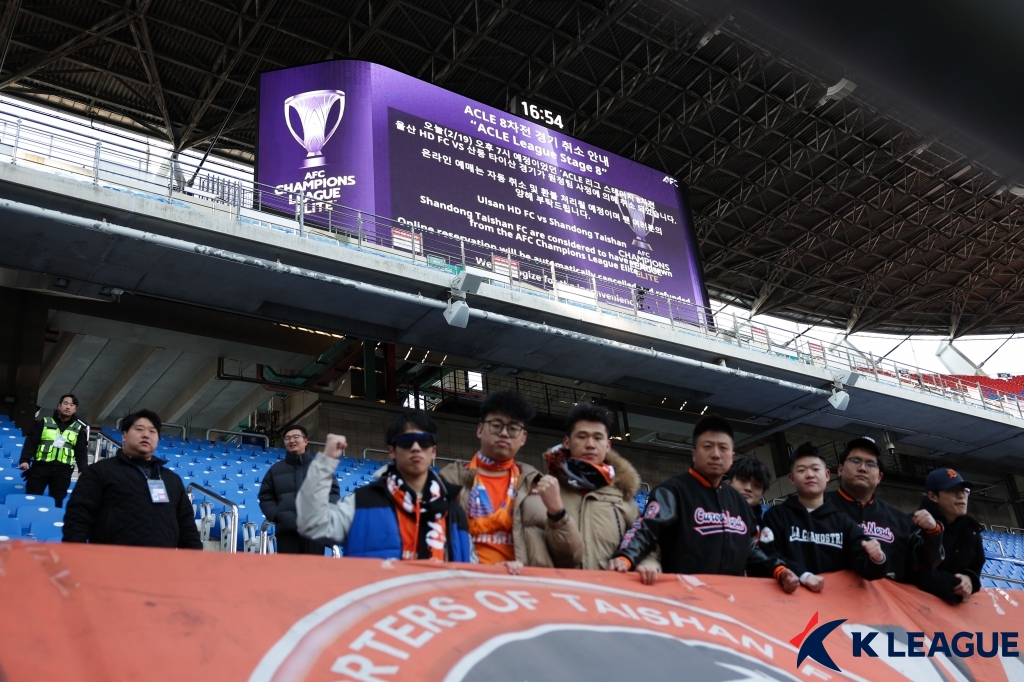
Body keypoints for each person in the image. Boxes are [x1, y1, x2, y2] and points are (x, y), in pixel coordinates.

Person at [609, 415, 800, 591]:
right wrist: (625, 558)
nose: (716, 454)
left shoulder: (739, 503)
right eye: (708, 447)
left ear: (732, 457)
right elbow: (646, 529)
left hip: (731, 601)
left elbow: (750, 552)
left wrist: (779, 570)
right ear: (693, 454)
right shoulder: (672, 491)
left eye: (723, 448)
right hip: (684, 598)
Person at [295, 412, 472, 561]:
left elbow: (470, 568)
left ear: (433, 451)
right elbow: (311, 524)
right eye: (406, 441)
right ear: (391, 451)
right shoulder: (362, 501)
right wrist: (326, 461)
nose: (416, 447)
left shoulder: (453, 510)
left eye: (424, 441)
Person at [758, 443, 889, 592]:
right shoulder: (776, 516)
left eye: (815, 469)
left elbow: (867, 569)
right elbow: (766, 554)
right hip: (787, 600)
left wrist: (878, 559)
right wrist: (803, 575)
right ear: (791, 478)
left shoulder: (843, 522)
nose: (810, 475)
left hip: (834, 603)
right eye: (801, 470)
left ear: (827, 475)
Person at [63, 410, 201, 549]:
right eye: (139, 429)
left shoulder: (171, 480)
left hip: (161, 560)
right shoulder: (99, 472)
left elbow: (187, 527)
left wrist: (195, 558)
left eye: (152, 431)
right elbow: (77, 519)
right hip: (112, 558)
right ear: (124, 435)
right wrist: (74, 554)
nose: (146, 435)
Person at [439, 390, 544, 574]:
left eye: (513, 429)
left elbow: (570, 555)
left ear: (523, 437)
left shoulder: (536, 485)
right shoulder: (449, 479)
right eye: (496, 426)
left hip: (519, 582)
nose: (504, 433)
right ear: (480, 429)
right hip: (465, 580)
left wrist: (558, 514)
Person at [533, 402, 641, 570]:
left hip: (608, 586)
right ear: (567, 442)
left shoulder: (623, 497)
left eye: (598, 438)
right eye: (582, 437)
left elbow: (645, 544)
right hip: (560, 586)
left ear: (608, 446)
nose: (590, 444)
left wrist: (646, 564)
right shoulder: (543, 491)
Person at [826, 437, 943, 583]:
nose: (863, 468)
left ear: (879, 477)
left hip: (883, 596)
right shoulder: (813, 508)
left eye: (871, 464)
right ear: (840, 469)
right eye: (855, 461)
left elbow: (924, 566)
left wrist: (933, 533)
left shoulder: (900, 520)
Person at [258, 425, 339, 555]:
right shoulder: (275, 470)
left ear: (305, 441)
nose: (291, 440)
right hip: (287, 531)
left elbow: (332, 493)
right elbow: (265, 496)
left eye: (296, 437)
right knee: (288, 568)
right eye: (287, 438)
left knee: (312, 567)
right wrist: (277, 515)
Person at [910, 468, 984, 604]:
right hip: (912, 607)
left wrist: (969, 579)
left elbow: (975, 567)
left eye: (965, 491)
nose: (961, 495)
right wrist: (955, 586)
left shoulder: (972, 531)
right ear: (933, 496)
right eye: (952, 490)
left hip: (951, 615)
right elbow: (917, 573)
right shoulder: (914, 524)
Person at [18, 394, 89, 507]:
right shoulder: (44, 422)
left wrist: (82, 470)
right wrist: (25, 460)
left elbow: (81, 452)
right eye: (65, 403)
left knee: (57, 503)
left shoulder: (79, 429)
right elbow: (31, 443)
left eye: (72, 405)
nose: (68, 407)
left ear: (75, 409)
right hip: (40, 468)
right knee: (32, 500)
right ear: (59, 406)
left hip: (63, 472)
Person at [727, 456, 772, 526]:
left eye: (757, 485)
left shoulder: (770, 521)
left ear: (762, 493)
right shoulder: (712, 513)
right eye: (743, 481)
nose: (748, 488)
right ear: (729, 483)